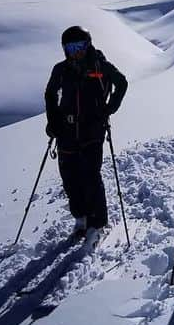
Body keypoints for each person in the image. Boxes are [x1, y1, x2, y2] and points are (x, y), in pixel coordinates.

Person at [44, 25, 128, 240]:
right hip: (66, 131)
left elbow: (122, 82)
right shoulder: (61, 70)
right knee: (70, 178)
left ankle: (97, 223)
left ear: (88, 44)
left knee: (91, 176)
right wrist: (53, 120)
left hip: (93, 130)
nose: (76, 52)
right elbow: (50, 94)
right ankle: (80, 217)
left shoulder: (99, 65)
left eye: (79, 46)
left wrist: (109, 109)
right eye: (70, 48)